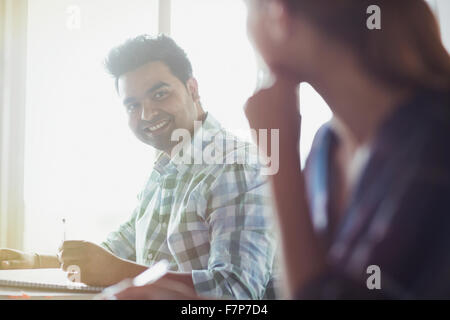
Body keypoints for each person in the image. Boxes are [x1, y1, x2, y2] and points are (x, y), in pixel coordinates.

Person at [111, 0, 450, 299]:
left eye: (247, 9)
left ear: (279, 14)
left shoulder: (432, 141)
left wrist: (279, 153)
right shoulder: (325, 148)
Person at [0, 34, 277, 300]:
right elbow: (116, 251)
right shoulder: (167, 168)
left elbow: (236, 294)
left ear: (192, 89)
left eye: (159, 94)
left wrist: (116, 272)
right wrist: (36, 261)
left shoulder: (236, 166)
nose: (146, 114)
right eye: (133, 106)